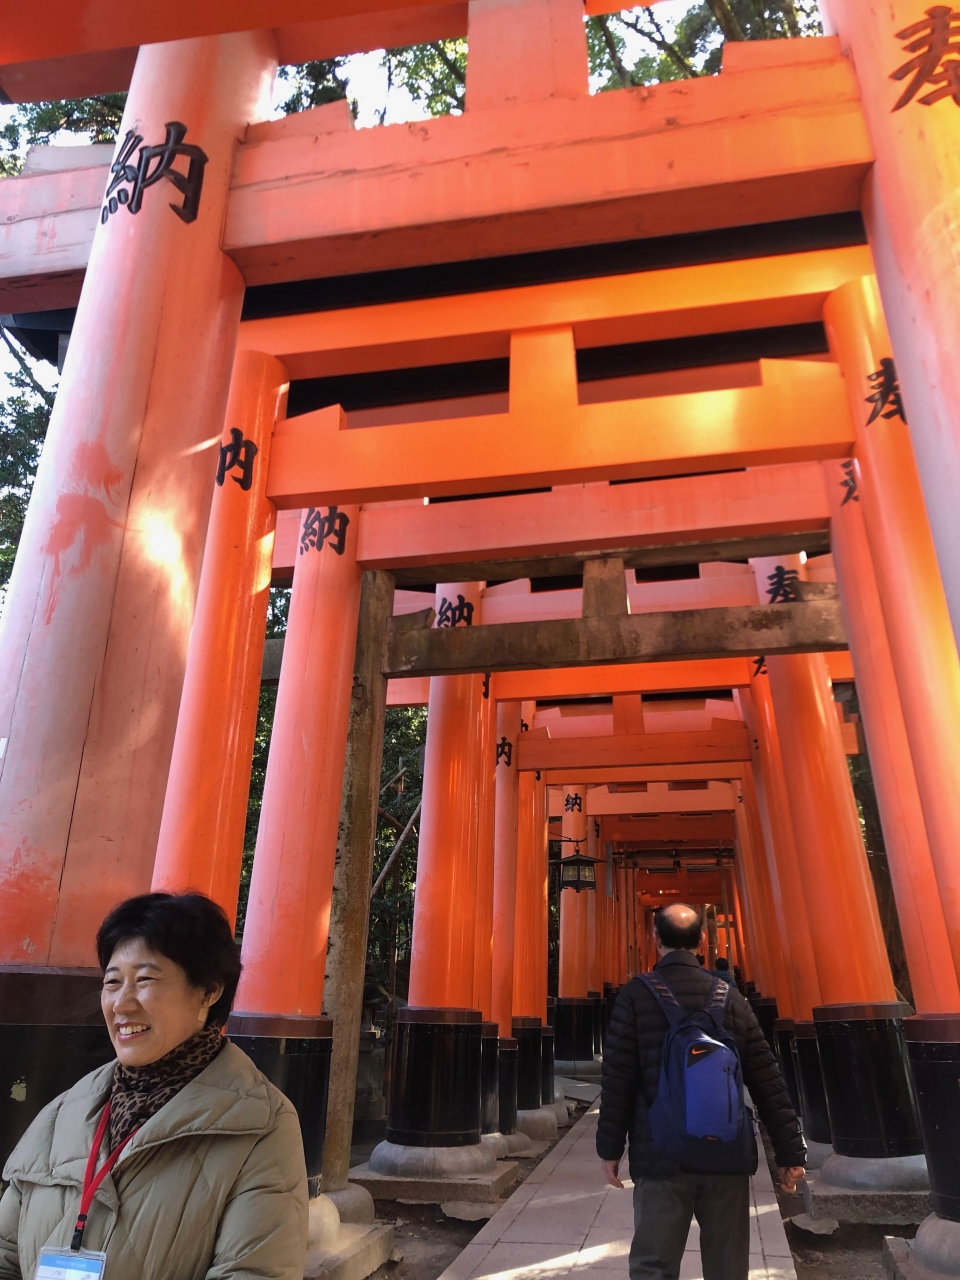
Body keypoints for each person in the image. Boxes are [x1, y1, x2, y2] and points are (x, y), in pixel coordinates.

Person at [0, 892, 308, 1280]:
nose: (122, 1003)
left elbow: (256, 1271)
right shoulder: (63, 1113)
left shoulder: (261, 1126)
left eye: (145, 979)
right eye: (113, 982)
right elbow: (6, 1255)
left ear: (208, 991)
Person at [597, 903, 805, 1280]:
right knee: (727, 1268)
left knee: (653, 1266)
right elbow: (766, 1077)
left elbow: (617, 1079)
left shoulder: (634, 997)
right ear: (702, 941)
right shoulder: (729, 997)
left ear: (655, 938)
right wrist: (789, 1150)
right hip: (724, 1151)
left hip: (660, 1152)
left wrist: (610, 1149)